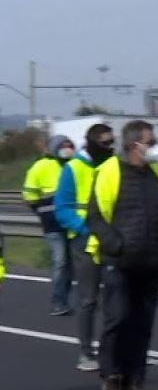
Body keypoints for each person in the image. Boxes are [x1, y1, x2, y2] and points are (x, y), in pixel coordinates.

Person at [86, 120, 158, 390]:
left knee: (142, 325)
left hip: (151, 264)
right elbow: (96, 216)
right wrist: (116, 246)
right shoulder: (109, 172)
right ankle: (112, 379)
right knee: (118, 320)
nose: (154, 148)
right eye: (150, 142)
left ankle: (136, 383)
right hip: (120, 264)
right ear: (134, 145)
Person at [54, 123, 115, 372]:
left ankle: (114, 350)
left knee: (116, 297)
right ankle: (86, 352)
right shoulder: (74, 168)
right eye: (105, 143)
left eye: (113, 142)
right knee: (88, 298)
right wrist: (85, 229)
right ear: (91, 143)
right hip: (85, 242)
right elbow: (63, 208)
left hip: (112, 240)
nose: (111, 147)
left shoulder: (113, 166)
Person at [23, 135, 75, 316]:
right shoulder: (40, 167)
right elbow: (29, 194)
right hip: (52, 225)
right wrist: (41, 212)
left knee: (71, 264)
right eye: (64, 147)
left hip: (72, 223)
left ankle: (66, 298)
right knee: (60, 262)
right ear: (54, 148)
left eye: (70, 147)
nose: (68, 150)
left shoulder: (74, 165)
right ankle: (58, 302)